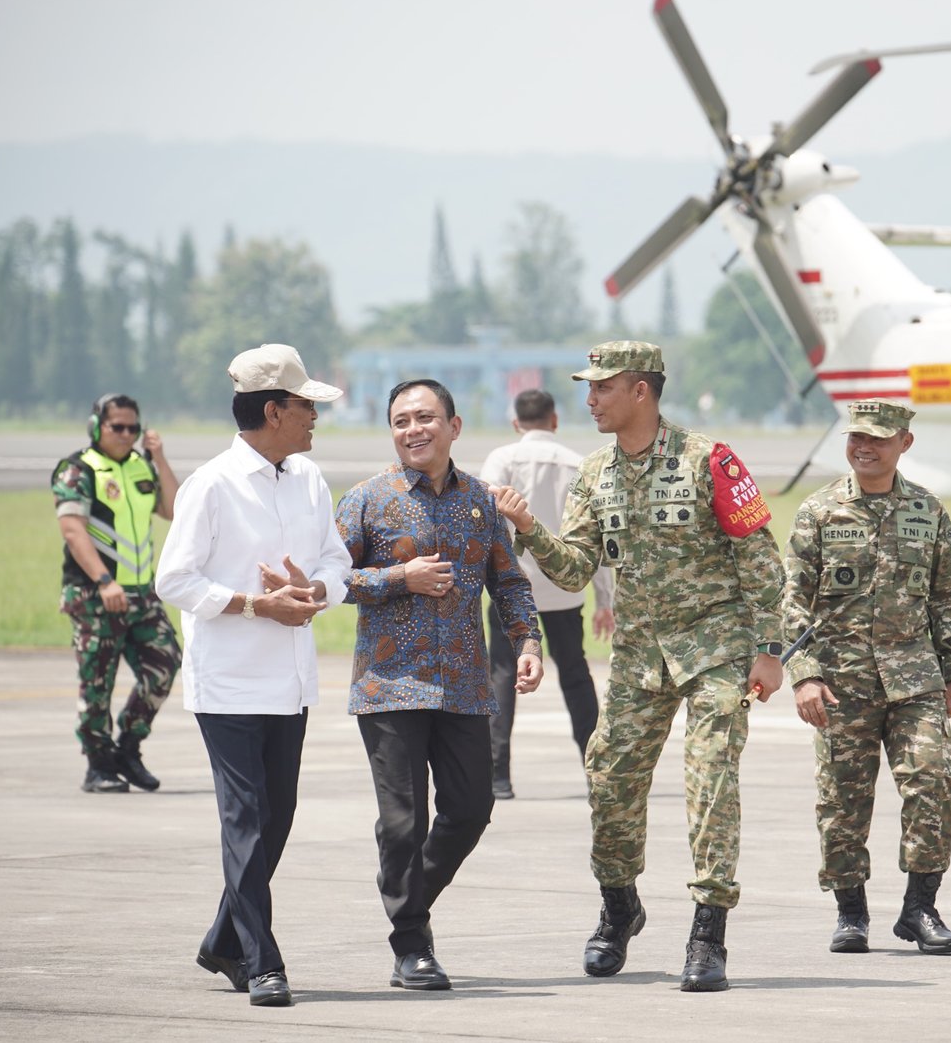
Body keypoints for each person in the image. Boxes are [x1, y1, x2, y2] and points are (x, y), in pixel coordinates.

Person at [493, 340, 786, 993]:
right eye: (588, 388)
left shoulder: (710, 460)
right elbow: (572, 567)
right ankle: (619, 906)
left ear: (641, 392)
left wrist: (770, 651)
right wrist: (530, 530)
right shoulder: (593, 474)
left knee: (710, 780)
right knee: (608, 772)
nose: (590, 399)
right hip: (638, 657)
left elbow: (761, 561)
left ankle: (709, 933)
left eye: (602, 388)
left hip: (716, 650)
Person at [157, 344, 351, 1008]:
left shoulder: (308, 479)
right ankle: (263, 961)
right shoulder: (211, 485)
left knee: (278, 818)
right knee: (246, 820)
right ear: (273, 410)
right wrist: (252, 604)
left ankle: (222, 941)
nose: (313, 418)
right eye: (305, 406)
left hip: (289, 681)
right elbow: (174, 578)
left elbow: (337, 561)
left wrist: (314, 591)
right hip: (231, 682)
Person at [335, 379, 544, 991]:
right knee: (402, 824)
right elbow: (332, 580)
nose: (413, 430)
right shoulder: (366, 501)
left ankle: (407, 899)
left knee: (471, 811)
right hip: (389, 686)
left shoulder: (480, 501)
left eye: (426, 418)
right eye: (401, 421)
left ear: (454, 427)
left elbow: (509, 583)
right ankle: (412, 946)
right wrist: (402, 576)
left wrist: (528, 641)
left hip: (463, 687)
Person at [782, 398, 951, 956]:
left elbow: (948, 597)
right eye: (855, 438)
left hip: (916, 679)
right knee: (842, 801)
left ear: (903, 445)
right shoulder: (819, 512)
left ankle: (920, 909)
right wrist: (804, 675)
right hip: (842, 683)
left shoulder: (927, 511)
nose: (864, 448)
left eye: (878, 440)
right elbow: (791, 600)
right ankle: (851, 912)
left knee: (933, 784)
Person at [478, 388, 614, 800]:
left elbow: (484, 522)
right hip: (564, 591)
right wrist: (604, 600)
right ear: (555, 420)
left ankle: (498, 776)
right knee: (575, 677)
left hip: (510, 591)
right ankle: (595, 770)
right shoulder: (579, 464)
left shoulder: (502, 460)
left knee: (502, 675)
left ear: (517, 423)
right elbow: (599, 539)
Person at [51, 393, 182, 793]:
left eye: (133, 428)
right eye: (118, 427)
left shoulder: (141, 466)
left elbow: (174, 509)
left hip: (142, 594)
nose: (127, 435)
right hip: (96, 594)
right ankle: (98, 763)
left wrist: (158, 458)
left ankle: (128, 745)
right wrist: (104, 582)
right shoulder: (78, 470)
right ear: (97, 427)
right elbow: (73, 530)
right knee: (97, 683)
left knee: (165, 663)